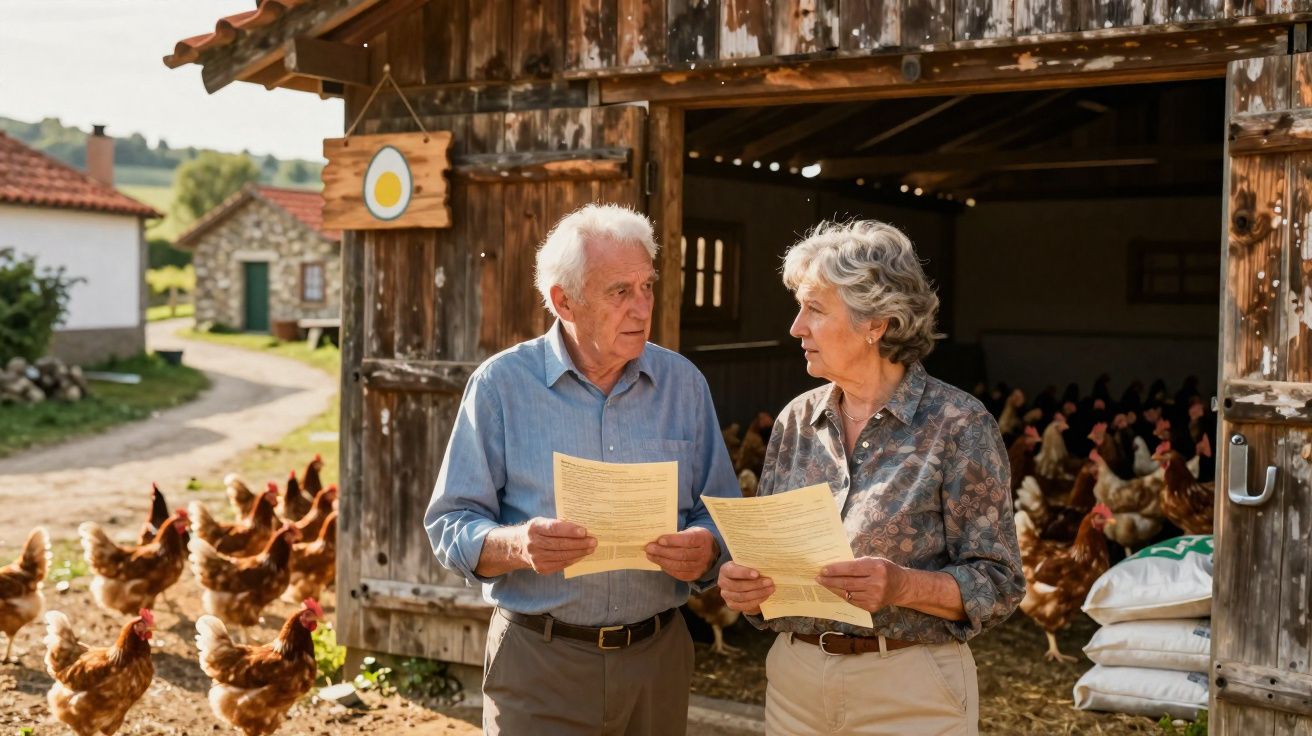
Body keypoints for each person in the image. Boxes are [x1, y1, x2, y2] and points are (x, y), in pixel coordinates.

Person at [425, 203, 739, 735]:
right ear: (563, 301)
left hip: (657, 661)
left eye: (646, 286)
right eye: (620, 291)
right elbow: (451, 523)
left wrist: (706, 548)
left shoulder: (683, 385)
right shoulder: (501, 386)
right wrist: (519, 545)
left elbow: (722, 515)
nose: (642, 308)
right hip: (539, 662)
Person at [717, 220, 1025, 735]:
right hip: (795, 683)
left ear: (875, 324)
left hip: (909, 688)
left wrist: (902, 584)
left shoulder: (959, 424)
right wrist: (744, 583)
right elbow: (766, 554)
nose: (796, 327)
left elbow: (999, 582)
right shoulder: (797, 419)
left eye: (814, 309)